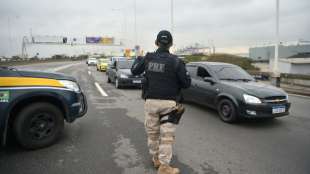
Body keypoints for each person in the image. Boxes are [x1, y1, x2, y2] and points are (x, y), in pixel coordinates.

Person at [131, 30, 191, 174]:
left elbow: (134, 71)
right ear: (170, 44)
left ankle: (155, 159)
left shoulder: (148, 58)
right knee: (166, 136)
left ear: (156, 43)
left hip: (150, 102)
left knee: (153, 134)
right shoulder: (176, 61)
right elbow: (186, 83)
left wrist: (138, 58)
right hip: (169, 104)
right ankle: (164, 167)